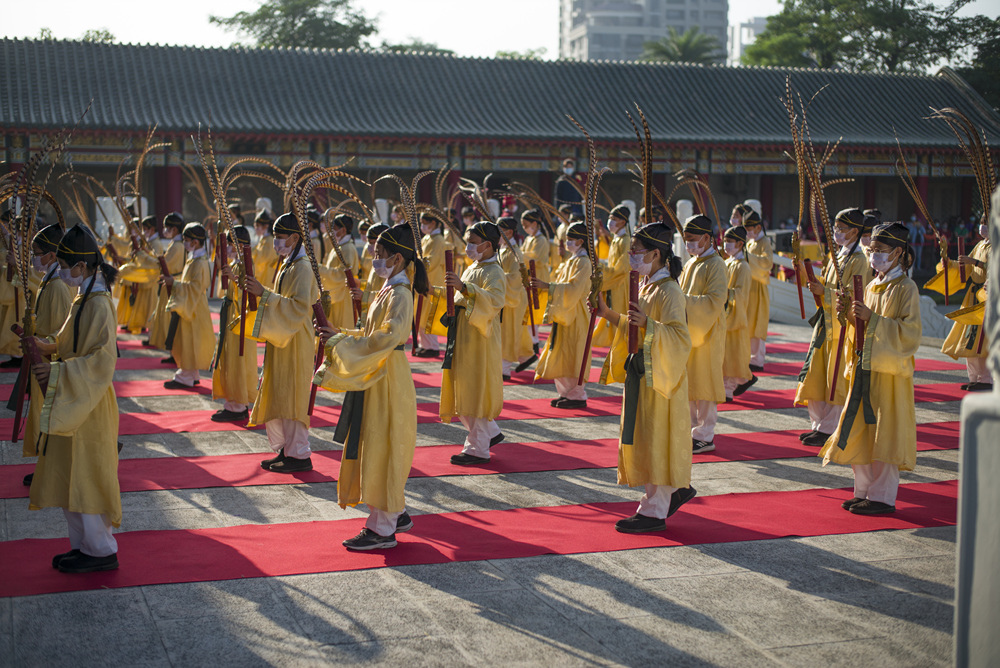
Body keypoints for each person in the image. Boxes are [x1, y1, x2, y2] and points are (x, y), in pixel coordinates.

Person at [314, 225, 428, 550]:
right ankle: (397, 513)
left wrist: (344, 340)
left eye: (379, 255)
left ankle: (383, 528)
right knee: (374, 441)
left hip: (387, 375)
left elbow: (388, 337)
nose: (374, 260)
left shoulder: (401, 294)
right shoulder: (389, 288)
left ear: (395, 257)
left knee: (382, 445)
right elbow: (371, 331)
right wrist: (340, 334)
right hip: (379, 371)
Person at [26, 225, 121, 573]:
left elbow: (102, 361)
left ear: (82, 267)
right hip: (76, 398)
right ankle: (83, 545)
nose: (63, 271)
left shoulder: (99, 304)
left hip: (91, 403)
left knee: (89, 475)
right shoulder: (83, 298)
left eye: (67, 265)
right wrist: (45, 347)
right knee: (71, 475)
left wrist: (58, 372)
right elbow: (69, 344)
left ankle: (101, 549)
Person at [595, 222, 696, 533]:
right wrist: (608, 314)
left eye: (636, 251)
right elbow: (637, 326)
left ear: (656, 253)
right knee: (645, 436)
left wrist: (649, 325)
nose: (631, 255)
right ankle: (668, 494)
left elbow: (680, 338)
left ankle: (654, 511)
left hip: (661, 379)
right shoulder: (650, 284)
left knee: (656, 440)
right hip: (645, 372)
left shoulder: (669, 291)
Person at [820, 222, 921, 515]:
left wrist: (872, 318)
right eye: (872, 250)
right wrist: (849, 315)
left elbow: (909, 334)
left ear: (898, 252)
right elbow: (862, 330)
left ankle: (883, 497)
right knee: (860, 429)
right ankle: (863, 490)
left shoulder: (906, 288)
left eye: (880, 250)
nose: (874, 255)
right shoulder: (873, 284)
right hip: (864, 368)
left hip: (889, 375)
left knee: (885, 434)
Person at [236, 213, 319, 473]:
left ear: (295, 238)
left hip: (295, 340)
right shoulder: (288, 263)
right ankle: (286, 450)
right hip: (283, 339)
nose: (276, 243)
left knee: (293, 398)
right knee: (281, 394)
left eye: (280, 237)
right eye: (275, 237)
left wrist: (265, 294)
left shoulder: (302, 267)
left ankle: (300, 454)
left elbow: (297, 307)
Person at [794, 209, 874, 446]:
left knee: (835, 376)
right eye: (835, 227)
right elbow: (826, 285)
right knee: (817, 374)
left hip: (841, 327)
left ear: (854, 231)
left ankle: (830, 427)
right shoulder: (838, 256)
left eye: (841, 228)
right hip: (825, 323)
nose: (837, 232)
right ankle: (818, 424)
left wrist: (825, 293)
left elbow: (854, 295)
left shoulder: (859, 260)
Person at [441, 221, 506, 465]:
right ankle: (490, 432)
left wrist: (464, 287)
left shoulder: (495, 272)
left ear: (488, 245)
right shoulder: (473, 267)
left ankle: (478, 448)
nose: (468, 247)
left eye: (473, 242)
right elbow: (461, 296)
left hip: (480, 340)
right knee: (465, 386)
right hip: (464, 336)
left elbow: (496, 300)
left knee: (476, 390)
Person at [19, 224, 74, 487]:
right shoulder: (49, 281)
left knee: (50, 416)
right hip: (41, 360)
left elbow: (61, 333)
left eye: (37, 252)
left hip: (49, 364)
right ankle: (45, 465)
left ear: (52, 255)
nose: (34, 258)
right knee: (43, 416)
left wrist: (42, 344)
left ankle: (52, 470)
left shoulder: (59, 287)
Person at [678, 214, 727, 454]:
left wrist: (682, 301)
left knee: (705, 385)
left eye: (692, 239)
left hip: (707, 332)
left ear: (707, 238)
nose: (688, 244)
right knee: (688, 383)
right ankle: (688, 430)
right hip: (688, 330)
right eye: (685, 239)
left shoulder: (715, 264)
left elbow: (715, 300)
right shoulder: (691, 262)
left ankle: (705, 435)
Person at [533, 221, 593, 409]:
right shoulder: (572, 260)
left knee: (575, 353)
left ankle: (577, 394)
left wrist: (547, 286)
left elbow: (575, 289)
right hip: (566, 312)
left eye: (571, 240)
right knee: (562, 352)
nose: (567, 243)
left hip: (577, 313)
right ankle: (566, 393)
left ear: (581, 241)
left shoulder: (584, 263)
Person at [210, 225, 259, 423]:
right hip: (232, 316)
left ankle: (238, 405)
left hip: (241, 319)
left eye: (231, 244)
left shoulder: (246, 264)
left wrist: (233, 278)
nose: (229, 248)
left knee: (239, 362)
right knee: (229, 360)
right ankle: (233, 402)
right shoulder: (237, 264)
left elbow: (248, 291)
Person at [160, 223, 215, 390]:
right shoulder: (195, 259)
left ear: (196, 242)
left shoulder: (200, 262)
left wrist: (174, 284)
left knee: (189, 341)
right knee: (188, 341)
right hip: (191, 305)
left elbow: (194, 288)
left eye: (186, 240)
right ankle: (190, 374)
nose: (184, 243)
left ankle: (185, 375)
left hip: (193, 307)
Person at [942, 217, 992, 391]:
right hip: (973, 296)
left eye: (986, 223)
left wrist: (976, 263)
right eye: (982, 222)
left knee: (984, 340)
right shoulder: (980, 245)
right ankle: (974, 377)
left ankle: (987, 378)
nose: (983, 226)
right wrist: (951, 264)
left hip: (988, 296)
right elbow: (967, 267)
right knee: (969, 338)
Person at [497, 216, 533, 379]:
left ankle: (504, 369)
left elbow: (514, 278)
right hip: (506, 296)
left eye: (500, 230)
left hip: (513, 297)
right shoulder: (504, 248)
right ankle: (525, 356)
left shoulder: (514, 253)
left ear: (509, 232)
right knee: (513, 331)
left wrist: (495, 275)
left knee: (509, 333)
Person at [721, 226, 754, 401]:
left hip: (735, 316)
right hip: (724, 315)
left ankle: (729, 389)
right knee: (725, 355)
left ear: (740, 244)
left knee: (732, 357)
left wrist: (725, 293)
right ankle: (742, 380)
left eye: (730, 242)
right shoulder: (727, 263)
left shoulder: (743, 267)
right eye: (725, 241)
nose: (726, 245)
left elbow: (741, 294)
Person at [593, 205, 632, 349]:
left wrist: (601, 267)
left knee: (620, 315)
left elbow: (622, 268)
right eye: (610, 218)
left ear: (623, 222)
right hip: (614, 283)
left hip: (621, 285)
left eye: (614, 219)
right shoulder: (617, 239)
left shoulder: (626, 241)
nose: (610, 222)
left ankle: (622, 348)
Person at [146, 212, 186, 350]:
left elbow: (164, 263)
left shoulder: (177, 246)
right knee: (162, 313)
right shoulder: (175, 244)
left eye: (167, 228)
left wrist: (147, 258)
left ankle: (168, 342)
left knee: (167, 315)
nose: (165, 231)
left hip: (173, 281)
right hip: (169, 281)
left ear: (174, 229)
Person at [741, 208, 772, 371]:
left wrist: (748, 257)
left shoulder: (764, 242)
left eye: (750, 229)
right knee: (747, 322)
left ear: (758, 228)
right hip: (748, 288)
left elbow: (767, 263)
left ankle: (758, 359)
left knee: (757, 323)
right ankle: (749, 357)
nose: (748, 233)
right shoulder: (750, 243)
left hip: (758, 288)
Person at [318, 213, 361, 330]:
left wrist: (320, 269)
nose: (332, 232)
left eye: (335, 229)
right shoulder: (340, 246)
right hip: (336, 293)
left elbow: (343, 275)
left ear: (343, 230)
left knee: (340, 327)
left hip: (343, 295)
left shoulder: (347, 248)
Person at [518, 208, 550, 365]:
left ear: (535, 223)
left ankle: (534, 343)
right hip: (529, 278)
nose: (524, 228)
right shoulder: (529, 239)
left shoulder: (541, 240)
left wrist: (518, 254)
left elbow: (535, 259)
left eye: (526, 224)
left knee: (534, 314)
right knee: (529, 314)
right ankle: (532, 342)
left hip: (539, 278)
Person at [413, 212, 445, 358]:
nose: (423, 226)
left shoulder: (438, 239)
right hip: (423, 278)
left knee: (427, 314)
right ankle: (425, 345)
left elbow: (433, 260)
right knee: (420, 312)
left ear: (433, 223)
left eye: (425, 222)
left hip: (432, 279)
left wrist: (418, 263)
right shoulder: (427, 238)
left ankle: (432, 346)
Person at [253, 209, 280, 290]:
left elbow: (263, 258)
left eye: (258, 226)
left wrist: (251, 253)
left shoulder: (269, 240)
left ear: (265, 226)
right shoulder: (264, 239)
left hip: (268, 274)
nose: (256, 228)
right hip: (263, 272)